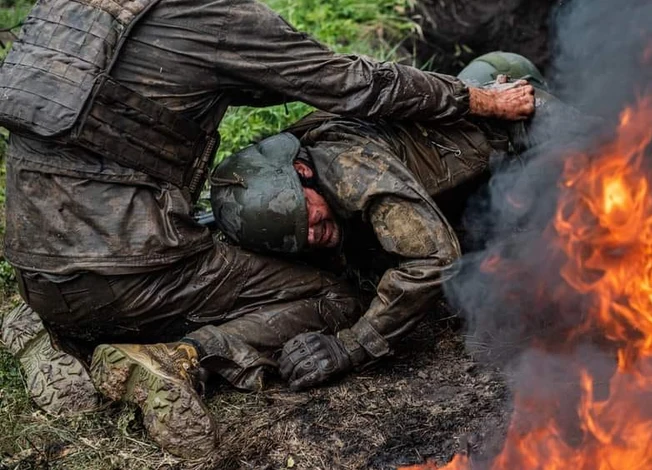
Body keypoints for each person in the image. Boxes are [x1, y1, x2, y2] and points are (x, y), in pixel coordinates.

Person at [0, 0, 534, 457]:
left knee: (224, 236)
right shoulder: (209, 16)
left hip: (37, 263)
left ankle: (50, 331)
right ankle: (179, 357)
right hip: (128, 269)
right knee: (335, 296)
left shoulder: (72, 9)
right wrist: (477, 99)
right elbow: (353, 84)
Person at [210, 52, 553, 392]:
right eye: (299, 237)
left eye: (308, 219)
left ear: (303, 173)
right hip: (468, 174)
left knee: (601, 182)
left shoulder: (349, 168)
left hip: (523, 119)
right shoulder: (281, 184)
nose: (313, 236)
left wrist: (349, 347)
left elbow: (432, 261)